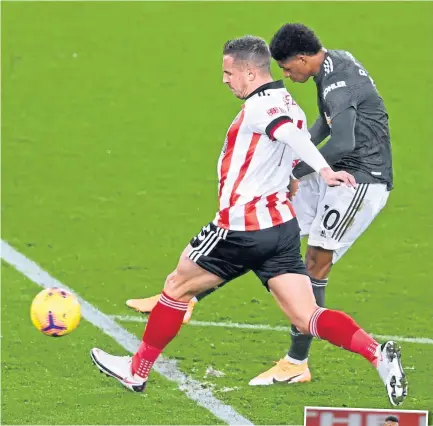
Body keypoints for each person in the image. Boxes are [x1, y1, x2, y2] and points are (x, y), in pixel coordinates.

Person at [90, 35, 406, 407]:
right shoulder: (290, 102)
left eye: (228, 73)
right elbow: (291, 142)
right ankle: (376, 354)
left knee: (176, 287)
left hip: (241, 227)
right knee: (308, 316)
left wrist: (323, 170)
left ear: (249, 71)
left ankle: (137, 370)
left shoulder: (262, 106)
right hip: (280, 230)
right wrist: (297, 173)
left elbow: (288, 135)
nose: (225, 80)